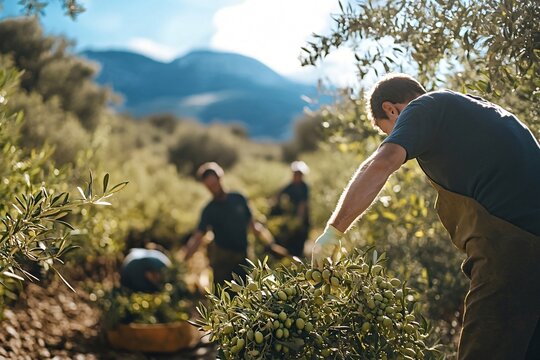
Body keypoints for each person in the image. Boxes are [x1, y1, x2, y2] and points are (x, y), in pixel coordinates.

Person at [311, 73, 540, 360]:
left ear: (391, 109)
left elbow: (382, 163)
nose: (396, 135)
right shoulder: (472, 109)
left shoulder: (423, 107)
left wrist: (334, 231)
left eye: (390, 130)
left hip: (514, 251)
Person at [184, 162, 279, 286]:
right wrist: (184, 258)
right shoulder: (209, 210)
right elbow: (198, 237)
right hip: (221, 261)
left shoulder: (238, 198)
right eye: (209, 186)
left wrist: (270, 244)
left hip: (243, 257)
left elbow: (253, 226)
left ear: (220, 178)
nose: (213, 188)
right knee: (223, 296)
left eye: (214, 184)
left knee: (246, 293)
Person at [270, 161, 310, 257]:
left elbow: (302, 204)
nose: (297, 176)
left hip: (301, 218)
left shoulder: (304, 187)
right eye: (295, 173)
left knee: (300, 239)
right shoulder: (290, 186)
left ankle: (298, 259)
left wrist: (299, 219)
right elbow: (278, 195)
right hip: (292, 217)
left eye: (299, 174)